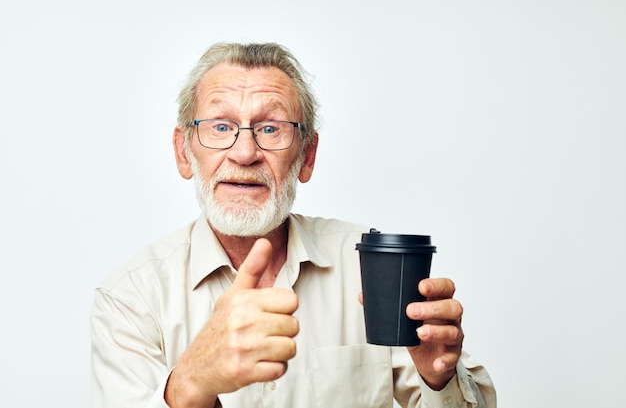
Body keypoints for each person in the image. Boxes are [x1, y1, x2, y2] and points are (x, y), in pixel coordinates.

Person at [90, 42, 496, 408]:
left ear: (307, 156)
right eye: (221, 127)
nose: (245, 152)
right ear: (183, 152)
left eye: (270, 128)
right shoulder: (130, 298)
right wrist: (191, 382)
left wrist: (438, 378)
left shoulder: (369, 267)